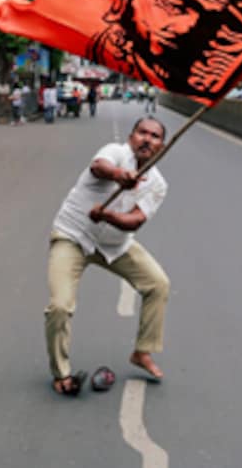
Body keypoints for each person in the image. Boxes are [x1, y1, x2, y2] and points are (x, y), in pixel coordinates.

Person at [45, 116, 171, 395]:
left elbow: (135, 221)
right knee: (60, 307)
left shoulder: (158, 184)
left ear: (161, 146)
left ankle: (143, 351)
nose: (147, 140)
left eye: (154, 136)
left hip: (115, 245)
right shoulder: (114, 153)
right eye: (142, 133)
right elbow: (98, 167)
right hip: (73, 236)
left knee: (158, 284)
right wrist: (119, 176)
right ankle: (61, 373)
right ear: (131, 136)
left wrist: (107, 215)